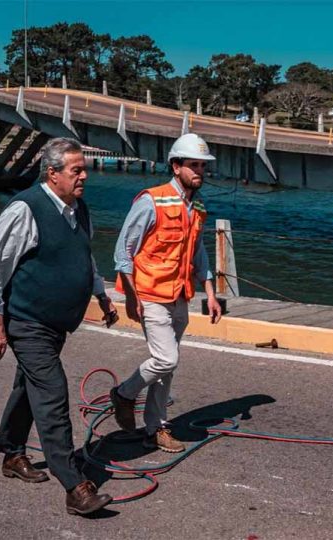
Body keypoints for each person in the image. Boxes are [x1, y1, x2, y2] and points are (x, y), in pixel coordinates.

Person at [0, 137, 117, 516]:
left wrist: (101, 295)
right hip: (27, 321)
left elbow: (85, 258)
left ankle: (12, 453)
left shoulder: (79, 209)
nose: (84, 176)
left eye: (84, 169)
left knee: (29, 387)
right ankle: (74, 485)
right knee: (52, 392)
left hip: (57, 323)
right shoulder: (25, 209)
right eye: (77, 170)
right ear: (52, 174)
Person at [109, 133, 223, 453]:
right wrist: (131, 297)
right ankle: (125, 393)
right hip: (150, 293)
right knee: (165, 358)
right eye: (193, 165)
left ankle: (155, 426)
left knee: (168, 367)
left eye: (202, 166)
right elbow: (124, 250)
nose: (199, 171)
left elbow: (198, 251)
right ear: (176, 166)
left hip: (180, 295)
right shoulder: (152, 200)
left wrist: (210, 292)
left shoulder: (197, 206)